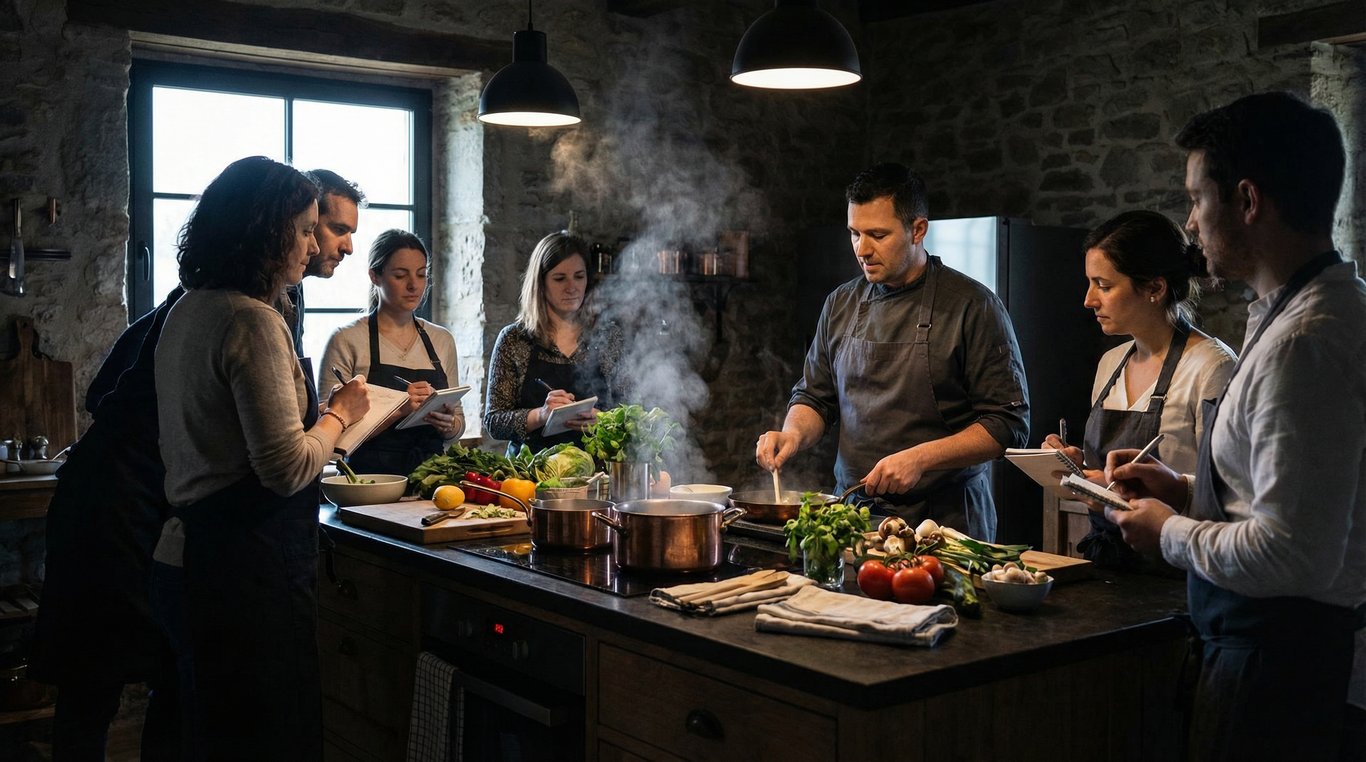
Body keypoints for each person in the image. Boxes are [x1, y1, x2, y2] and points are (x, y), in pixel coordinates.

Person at [1103, 92, 1366, 760]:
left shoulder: (1304, 342)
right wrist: (1186, 487)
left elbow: (1294, 553)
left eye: (1197, 199)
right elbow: (1281, 494)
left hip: (1278, 666)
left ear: (1246, 201)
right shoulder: (1306, 311)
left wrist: (1169, 532)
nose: (1190, 224)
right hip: (1266, 650)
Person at [152, 156, 371, 758]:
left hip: (190, 556)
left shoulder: (188, 308)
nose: (311, 243)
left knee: (207, 733)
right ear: (263, 231)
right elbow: (286, 469)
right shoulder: (251, 320)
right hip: (241, 570)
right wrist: (340, 415)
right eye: (303, 228)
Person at [755, 163, 1030, 540]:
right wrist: (792, 435)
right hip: (854, 516)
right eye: (854, 233)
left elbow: (1008, 425)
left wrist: (920, 458)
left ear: (918, 229)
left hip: (945, 524)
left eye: (878, 235)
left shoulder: (973, 306)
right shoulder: (841, 303)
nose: (862, 249)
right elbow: (816, 397)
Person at [28, 299, 184, 759]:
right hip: (113, 510)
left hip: (121, 499)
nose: (338, 247)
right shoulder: (206, 304)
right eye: (322, 228)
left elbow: (102, 392)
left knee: (113, 680)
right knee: (96, 679)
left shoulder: (189, 300)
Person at [1040, 210, 1235, 569]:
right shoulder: (1110, 363)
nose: (1088, 300)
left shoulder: (1212, 367)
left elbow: (1225, 494)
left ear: (1154, 289)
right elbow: (1105, 471)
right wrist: (1076, 466)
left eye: (1104, 285)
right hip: (1109, 563)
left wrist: (1124, 490)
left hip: (1174, 571)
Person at [320, 229, 464, 475]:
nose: (413, 285)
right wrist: (400, 409)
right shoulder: (347, 339)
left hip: (432, 483)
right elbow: (328, 431)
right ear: (374, 276)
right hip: (369, 485)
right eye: (400, 275)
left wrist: (449, 425)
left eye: (421, 275)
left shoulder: (442, 340)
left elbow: (458, 423)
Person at [484, 231, 628, 455]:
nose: (572, 287)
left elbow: (632, 414)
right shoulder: (514, 339)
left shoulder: (608, 337)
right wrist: (540, 415)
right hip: (529, 477)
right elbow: (494, 422)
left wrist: (602, 420)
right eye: (560, 278)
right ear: (540, 283)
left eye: (579, 277)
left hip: (597, 474)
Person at [286, 168, 364, 358]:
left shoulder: (295, 286)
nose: (349, 248)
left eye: (350, 234)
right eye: (338, 229)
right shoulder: (259, 301)